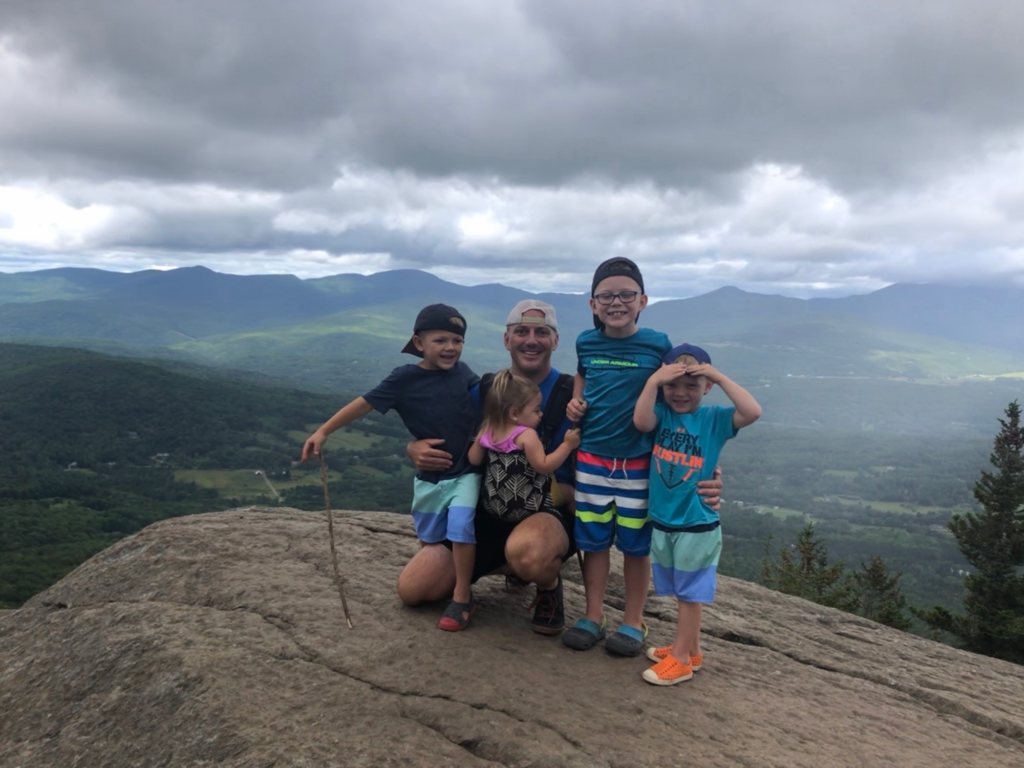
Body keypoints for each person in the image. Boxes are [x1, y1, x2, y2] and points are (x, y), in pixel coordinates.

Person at [399, 298, 724, 636]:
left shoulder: (577, 394)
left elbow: (657, 431)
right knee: (414, 589)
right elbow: (443, 430)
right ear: (506, 339)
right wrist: (412, 447)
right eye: (521, 331)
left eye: (542, 332)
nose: (531, 340)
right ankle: (513, 567)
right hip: (489, 511)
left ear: (555, 341)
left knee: (530, 551)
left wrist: (708, 473)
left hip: (548, 514)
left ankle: (545, 581)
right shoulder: (486, 390)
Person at [301, 304, 482, 632]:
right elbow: (363, 404)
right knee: (430, 538)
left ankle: (462, 595)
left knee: (461, 527)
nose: (451, 348)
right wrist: (324, 431)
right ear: (419, 343)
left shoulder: (464, 373)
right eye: (440, 340)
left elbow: (488, 402)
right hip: (430, 480)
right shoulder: (404, 378)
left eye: (457, 340)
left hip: (465, 473)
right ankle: (440, 577)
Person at [633, 343, 761, 684]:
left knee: (689, 596)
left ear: (706, 387)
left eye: (692, 385)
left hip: (696, 523)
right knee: (680, 590)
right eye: (673, 384)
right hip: (665, 519)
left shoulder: (714, 419)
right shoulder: (662, 414)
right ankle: (690, 648)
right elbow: (641, 420)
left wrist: (716, 375)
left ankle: (680, 661)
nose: (680, 393)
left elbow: (752, 411)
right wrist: (653, 383)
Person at [562, 257, 668, 657]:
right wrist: (576, 402)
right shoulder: (586, 342)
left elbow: (676, 399)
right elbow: (582, 376)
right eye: (606, 295)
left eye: (626, 294)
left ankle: (633, 621)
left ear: (643, 300)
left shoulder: (658, 345)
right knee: (594, 541)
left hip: (640, 462)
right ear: (592, 304)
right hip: (591, 458)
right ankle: (593, 615)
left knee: (637, 546)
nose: (616, 302)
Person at [469, 370, 581, 580]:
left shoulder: (489, 429)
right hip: (526, 505)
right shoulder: (526, 435)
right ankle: (583, 532)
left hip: (495, 505)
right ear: (514, 413)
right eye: (536, 410)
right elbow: (544, 466)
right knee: (568, 493)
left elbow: (474, 459)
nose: (540, 415)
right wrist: (568, 445)